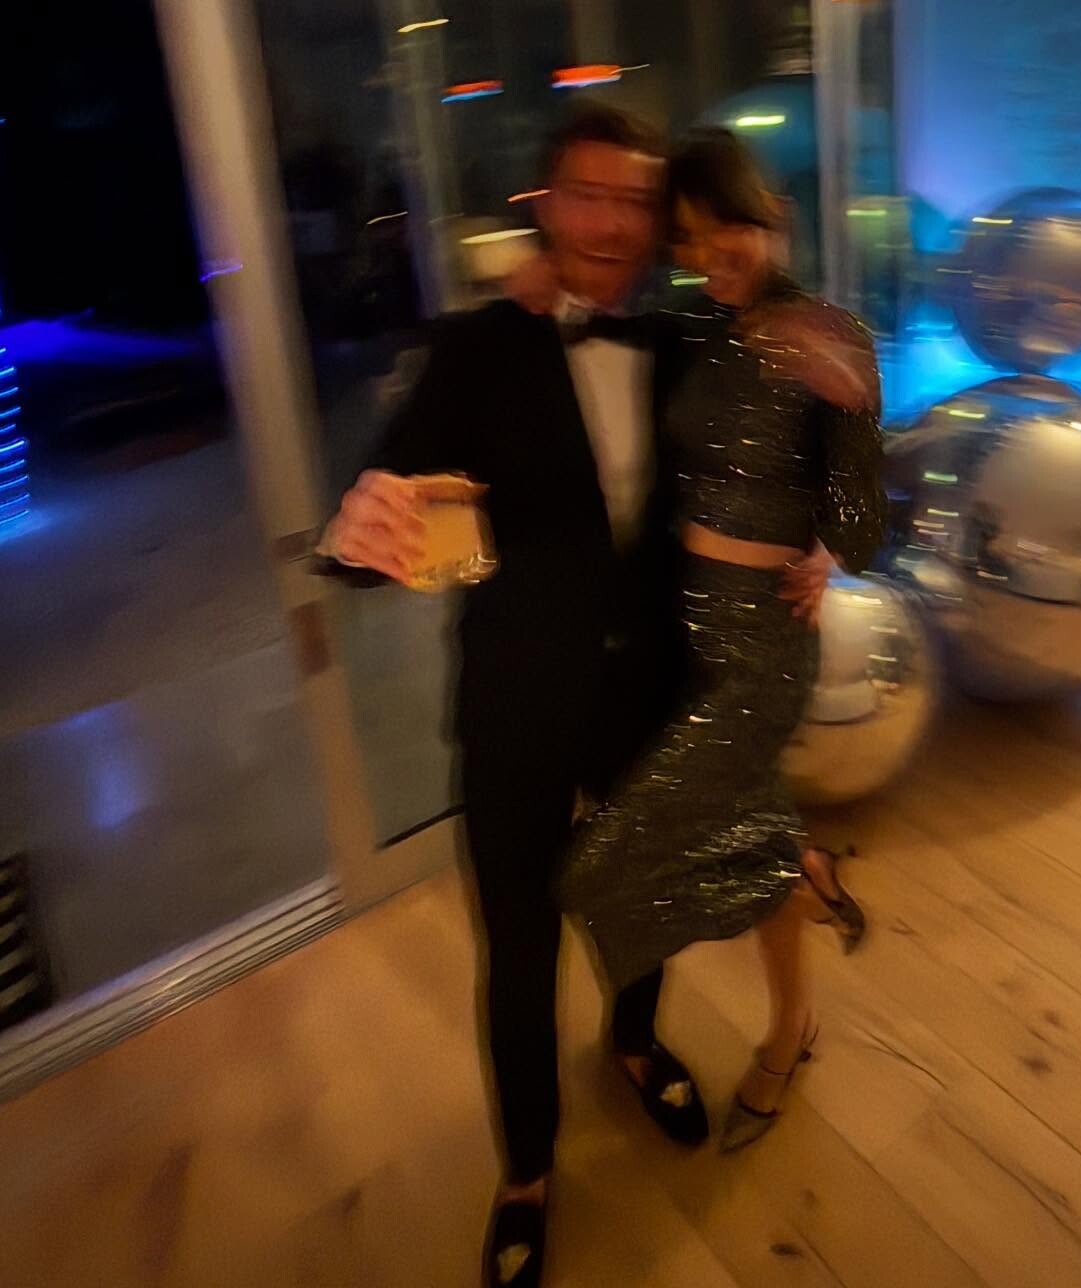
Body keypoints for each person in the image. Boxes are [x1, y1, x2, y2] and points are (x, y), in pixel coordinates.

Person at [318, 105, 708, 1288]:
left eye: (634, 201)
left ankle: (634, 1044)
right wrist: (359, 530)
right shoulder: (482, 348)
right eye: (587, 196)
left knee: (644, 900)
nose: (612, 224)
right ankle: (528, 1167)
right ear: (545, 206)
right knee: (522, 942)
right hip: (519, 702)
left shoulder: (682, 343)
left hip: (646, 694)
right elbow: (389, 489)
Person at [558, 126, 885, 1153]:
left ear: (770, 214)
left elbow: (866, 522)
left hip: (761, 641)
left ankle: (794, 874)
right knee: (746, 834)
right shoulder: (693, 330)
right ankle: (793, 1012)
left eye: (725, 229)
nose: (710, 256)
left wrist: (828, 538)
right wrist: (535, 270)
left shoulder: (835, 332)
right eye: (689, 240)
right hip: (681, 630)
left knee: (599, 864)